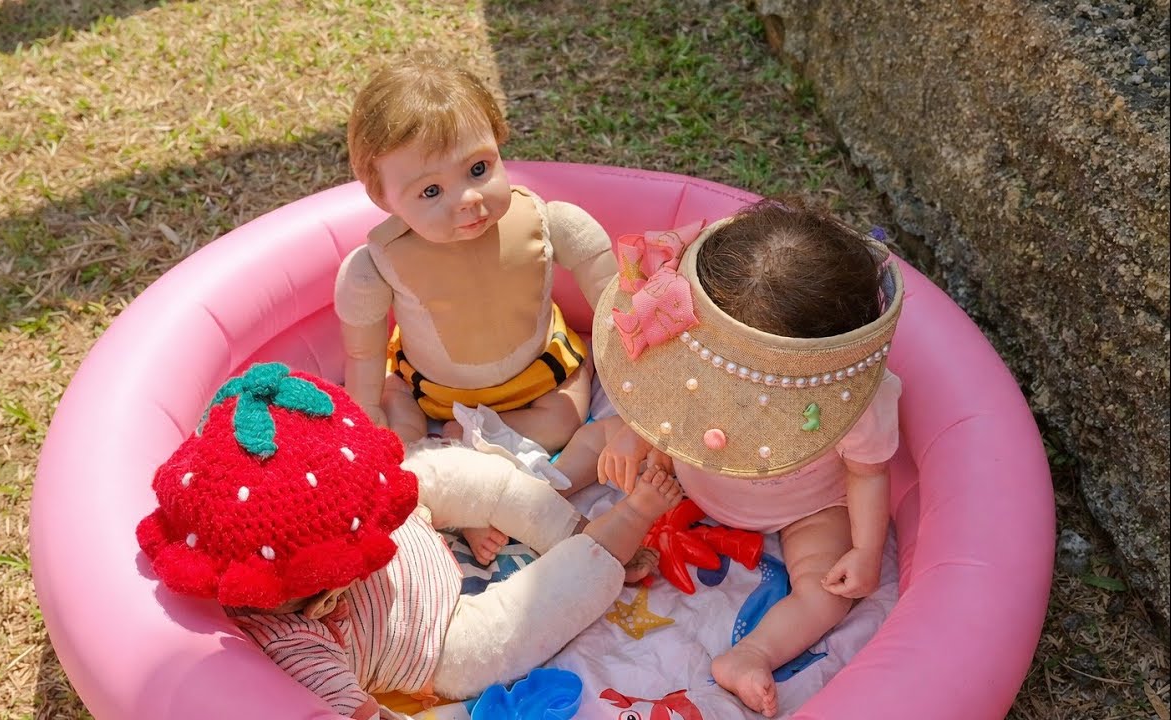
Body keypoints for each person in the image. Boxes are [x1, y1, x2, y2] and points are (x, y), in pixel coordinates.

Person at [136, 363, 681, 720]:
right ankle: (613, 537)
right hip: (435, 642)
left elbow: (403, 483)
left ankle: (569, 529)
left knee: (453, 472)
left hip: (409, 520)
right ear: (324, 592)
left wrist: (423, 514)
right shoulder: (296, 649)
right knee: (519, 626)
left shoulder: (346, 505)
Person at [586, 201, 905, 717]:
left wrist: (867, 553)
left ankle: (750, 654)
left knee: (829, 591)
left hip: (806, 509)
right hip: (688, 471)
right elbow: (661, 392)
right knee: (609, 467)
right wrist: (636, 435)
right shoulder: (697, 348)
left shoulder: (854, 401)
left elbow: (868, 474)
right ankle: (558, 504)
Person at [334, 58, 618, 565]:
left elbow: (615, 302)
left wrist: (631, 341)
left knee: (567, 415)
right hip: (430, 390)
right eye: (430, 191)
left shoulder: (540, 222)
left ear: (500, 141)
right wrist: (367, 414)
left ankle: (473, 469)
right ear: (383, 197)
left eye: (479, 169)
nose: (467, 200)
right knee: (396, 436)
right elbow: (362, 356)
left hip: (537, 376)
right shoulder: (378, 265)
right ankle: (458, 492)